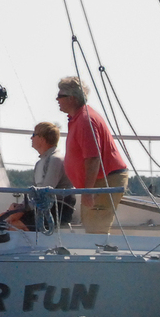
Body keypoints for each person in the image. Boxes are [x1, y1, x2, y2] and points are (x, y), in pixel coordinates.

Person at [56, 76, 129, 234]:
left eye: (60, 96)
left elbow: (93, 158)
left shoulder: (85, 120)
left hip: (104, 180)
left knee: (96, 229)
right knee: (92, 226)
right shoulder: (79, 118)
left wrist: (88, 191)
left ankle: (101, 250)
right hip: (100, 181)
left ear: (72, 98)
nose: (57, 99)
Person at [0, 121, 75, 231]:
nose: (31, 138)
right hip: (41, 207)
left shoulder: (55, 160)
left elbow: (45, 192)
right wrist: (19, 207)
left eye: (34, 135)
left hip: (56, 209)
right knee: (2, 218)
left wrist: (21, 210)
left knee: (10, 226)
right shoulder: (40, 162)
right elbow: (34, 192)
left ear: (42, 139)